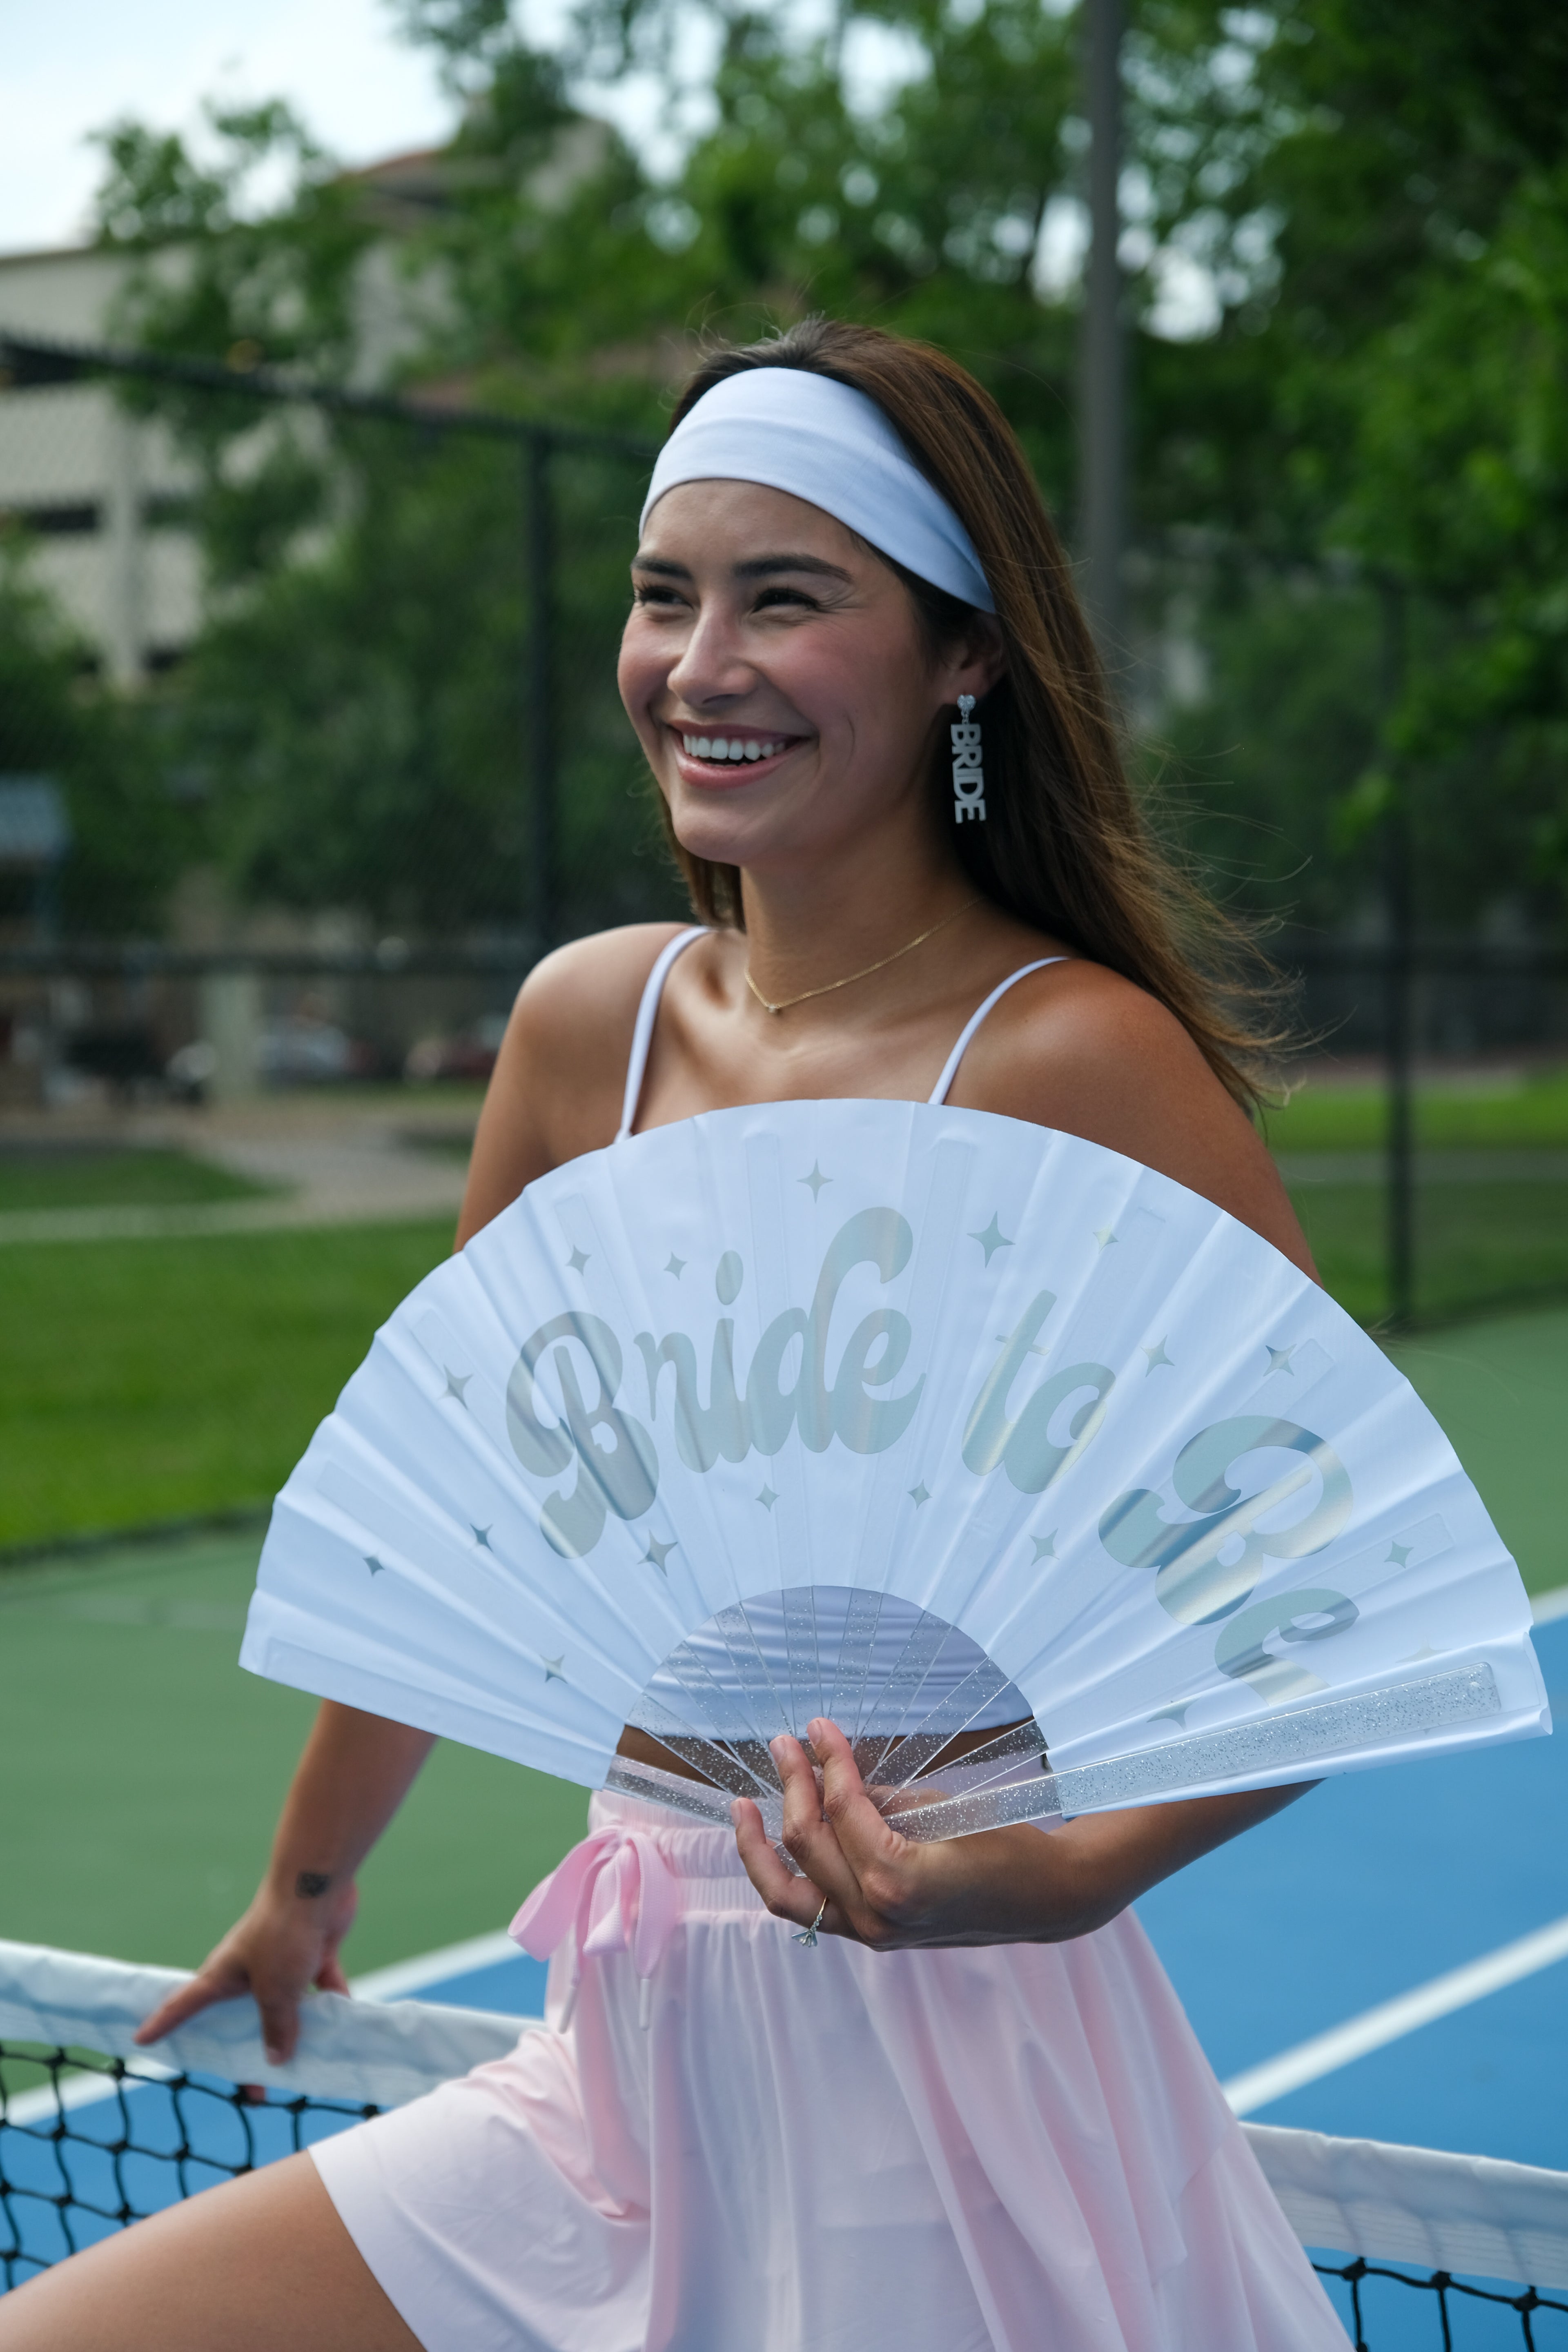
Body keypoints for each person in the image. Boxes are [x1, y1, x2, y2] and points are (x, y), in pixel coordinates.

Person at [0, 318, 1350, 2351]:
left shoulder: (1073, 1058)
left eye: (786, 598)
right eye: (665, 592)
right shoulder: (584, 1029)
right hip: (614, 2063)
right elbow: (460, 1516)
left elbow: (1332, 1583)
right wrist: (305, 1885)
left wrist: (1049, 1875)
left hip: (945, 2088)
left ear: (964, 654)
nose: (701, 663)